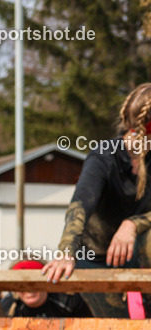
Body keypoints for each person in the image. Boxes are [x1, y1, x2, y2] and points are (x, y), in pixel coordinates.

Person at [44, 83, 151, 317]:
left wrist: (132, 224)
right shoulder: (105, 156)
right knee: (115, 328)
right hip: (96, 256)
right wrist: (66, 251)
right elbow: (80, 204)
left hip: (138, 253)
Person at [1, 260, 92, 317]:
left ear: (47, 283)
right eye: (21, 285)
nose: (28, 289)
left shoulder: (69, 302)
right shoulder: (6, 307)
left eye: (35, 283)